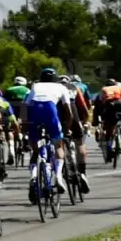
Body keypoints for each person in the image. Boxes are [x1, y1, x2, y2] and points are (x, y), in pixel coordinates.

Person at [23, 69, 74, 203]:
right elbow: (69, 112)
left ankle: (33, 176)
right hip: (50, 110)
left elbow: (25, 106)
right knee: (58, 145)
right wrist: (66, 130)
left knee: (35, 150)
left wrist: (25, 126)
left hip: (34, 112)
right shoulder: (61, 87)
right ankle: (58, 176)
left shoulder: (35, 86)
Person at [57, 74, 91, 194]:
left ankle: (59, 172)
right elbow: (83, 106)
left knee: (57, 143)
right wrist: (84, 121)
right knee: (79, 143)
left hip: (57, 113)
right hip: (72, 111)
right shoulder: (73, 88)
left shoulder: (54, 88)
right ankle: (82, 173)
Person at [92, 79, 121, 162]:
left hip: (107, 107)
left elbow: (98, 104)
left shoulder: (103, 90)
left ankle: (109, 146)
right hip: (119, 105)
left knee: (108, 128)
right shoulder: (118, 88)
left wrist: (96, 120)